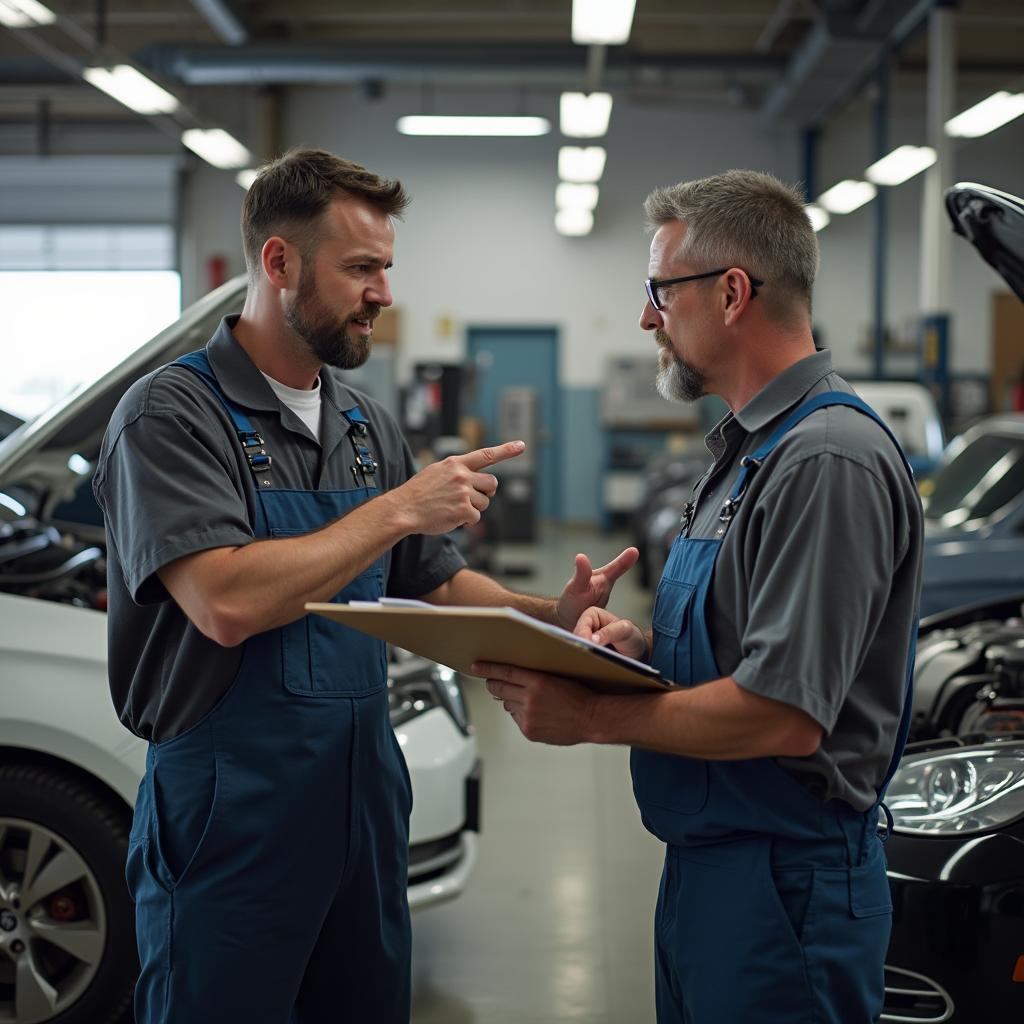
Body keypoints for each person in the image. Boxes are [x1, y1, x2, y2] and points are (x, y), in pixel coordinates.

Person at [92, 147, 637, 1024]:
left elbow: (435, 581)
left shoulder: (360, 420)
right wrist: (394, 510)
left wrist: (552, 616)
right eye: (360, 268)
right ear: (278, 262)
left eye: (385, 268)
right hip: (231, 808)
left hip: (360, 804)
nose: (382, 291)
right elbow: (225, 603)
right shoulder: (172, 415)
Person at [478, 169, 923, 1024]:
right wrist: (644, 649)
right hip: (716, 876)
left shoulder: (825, 460)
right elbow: (754, 646)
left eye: (658, 291)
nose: (647, 316)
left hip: (787, 888)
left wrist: (594, 718)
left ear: (730, 293)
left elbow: (783, 715)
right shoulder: (750, 452)